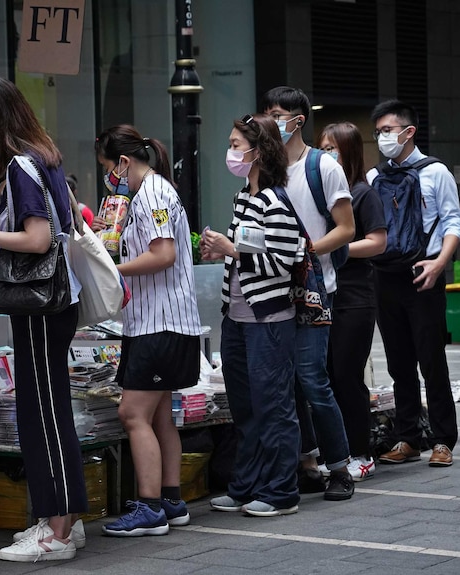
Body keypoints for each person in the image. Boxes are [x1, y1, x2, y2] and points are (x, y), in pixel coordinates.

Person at [0, 76, 86, 562]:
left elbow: (38, 239)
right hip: (50, 303)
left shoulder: (23, 166)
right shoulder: (41, 158)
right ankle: (61, 518)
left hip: (41, 305)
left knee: (42, 412)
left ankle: (58, 531)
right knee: (48, 408)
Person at [95, 125, 200, 536]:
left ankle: (150, 507)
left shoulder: (153, 192)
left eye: (107, 167)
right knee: (158, 417)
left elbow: (163, 253)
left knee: (131, 413)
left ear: (122, 162)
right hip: (158, 322)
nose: (108, 177)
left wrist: (111, 269)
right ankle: (171, 500)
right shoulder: (148, 193)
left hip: (161, 323)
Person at [201, 114, 301, 516]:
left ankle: (282, 492)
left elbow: (282, 262)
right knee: (244, 407)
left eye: (236, 144)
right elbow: (246, 253)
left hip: (269, 321)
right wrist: (224, 252)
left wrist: (233, 251)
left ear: (259, 151)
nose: (231, 152)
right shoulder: (245, 196)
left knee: (273, 406)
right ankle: (246, 486)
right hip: (239, 318)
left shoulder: (275, 200)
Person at [260, 86, 356, 500]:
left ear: (298, 120)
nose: (271, 120)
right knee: (288, 382)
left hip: (315, 289)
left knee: (313, 379)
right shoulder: (263, 166)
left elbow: (347, 229)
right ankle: (307, 462)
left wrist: (306, 252)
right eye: (267, 113)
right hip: (272, 289)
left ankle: (341, 469)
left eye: (278, 114)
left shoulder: (323, 167)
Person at [367, 100, 460, 467]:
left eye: (388, 130)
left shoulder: (435, 172)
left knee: (431, 359)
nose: (382, 138)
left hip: (425, 274)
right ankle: (408, 437)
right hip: (385, 274)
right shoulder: (375, 177)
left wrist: (439, 265)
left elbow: (454, 222)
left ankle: (443, 439)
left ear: (409, 131)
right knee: (398, 360)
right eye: (378, 132)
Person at [318, 122, 387, 480]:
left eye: (332, 147)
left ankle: (361, 451)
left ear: (349, 151)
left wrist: (334, 248)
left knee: (347, 376)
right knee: (326, 376)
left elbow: (377, 242)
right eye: (322, 147)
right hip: (325, 295)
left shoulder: (363, 193)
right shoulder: (324, 194)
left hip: (355, 298)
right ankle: (336, 452)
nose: (326, 153)